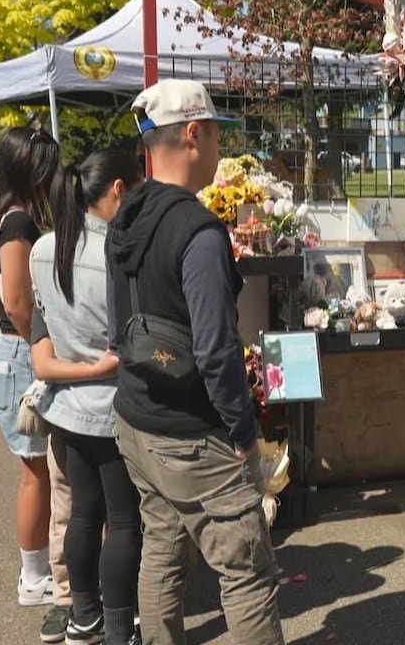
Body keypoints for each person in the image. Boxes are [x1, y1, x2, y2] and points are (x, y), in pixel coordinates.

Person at [108, 80, 284, 645]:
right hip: (191, 432)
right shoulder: (200, 231)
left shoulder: (126, 213)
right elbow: (216, 348)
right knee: (246, 568)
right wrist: (241, 433)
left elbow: (117, 325)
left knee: (161, 549)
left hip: (136, 418)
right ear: (192, 133)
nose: (218, 151)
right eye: (214, 136)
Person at [31, 149, 144, 645]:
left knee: (82, 512)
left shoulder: (44, 249)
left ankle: (83, 617)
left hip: (67, 403)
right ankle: (121, 626)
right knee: (123, 521)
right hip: (115, 405)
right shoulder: (117, 254)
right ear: (118, 189)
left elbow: (41, 326)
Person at [0, 126, 59, 612]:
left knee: (41, 471)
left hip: (14, 358)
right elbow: (17, 302)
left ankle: (40, 569)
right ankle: (33, 577)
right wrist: (48, 345)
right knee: (37, 473)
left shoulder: (11, 216)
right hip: (18, 356)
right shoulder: (17, 223)